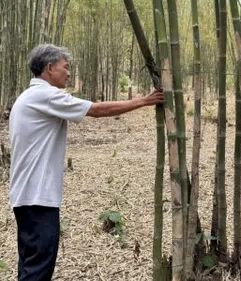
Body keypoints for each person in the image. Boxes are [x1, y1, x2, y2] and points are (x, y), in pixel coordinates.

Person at [8, 43, 163, 281]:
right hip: (37, 197)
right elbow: (97, 110)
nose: (69, 73)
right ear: (49, 68)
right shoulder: (45, 95)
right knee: (37, 270)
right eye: (65, 67)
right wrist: (145, 100)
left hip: (28, 196)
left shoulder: (28, 97)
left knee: (31, 265)